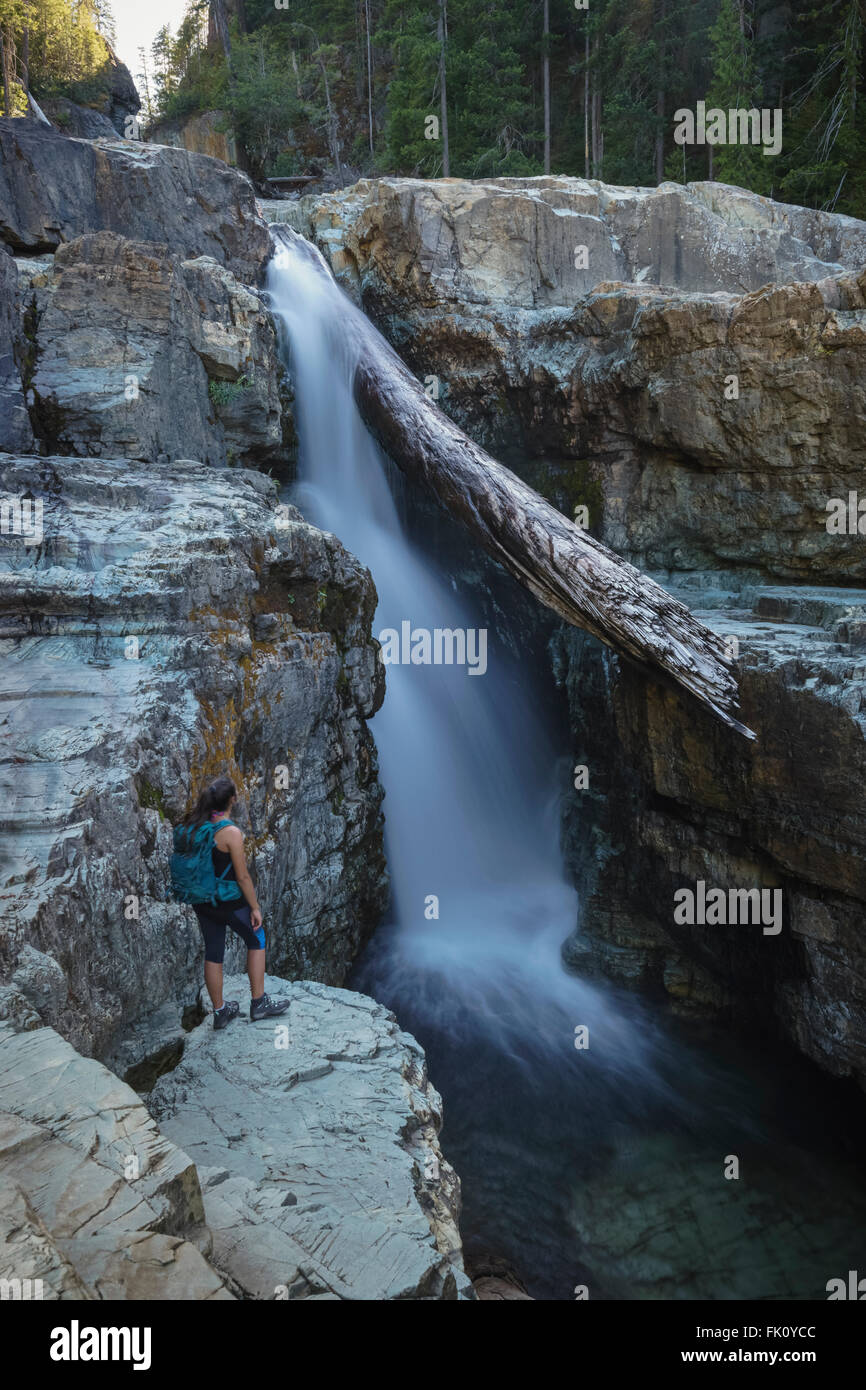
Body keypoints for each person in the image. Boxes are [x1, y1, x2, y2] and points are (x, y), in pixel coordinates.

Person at [177, 776, 289, 1030]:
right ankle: (259, 1003)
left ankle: (220, 1011)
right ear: (232, 800)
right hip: (228, 901)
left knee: (214, 952)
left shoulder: (192, 824)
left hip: (201, 900)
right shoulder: (230, 833)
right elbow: (242, 876)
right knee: (256, 938)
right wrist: (256, 907)